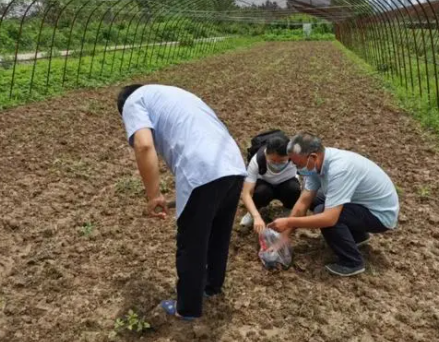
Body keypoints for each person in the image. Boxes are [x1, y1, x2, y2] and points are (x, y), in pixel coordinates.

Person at [117, 84, 246, 319]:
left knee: (192, 242)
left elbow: (144, 144)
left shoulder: (133, 101)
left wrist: (154, 195)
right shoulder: (171, 94)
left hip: (201, 169)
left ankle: (187, 309)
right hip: (233, 163)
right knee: (219, 233)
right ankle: (212, 287)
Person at [269, 132, 399, 277]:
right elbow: (304, 201)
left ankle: (352, 262)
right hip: (360, 204)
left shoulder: (340, 169)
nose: (295, 167)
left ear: (312, 157)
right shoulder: (316, 165)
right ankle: (358, 236)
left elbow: (329, 218)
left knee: (322, 212)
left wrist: (288, 221)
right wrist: (284, 236)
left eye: (297, 163)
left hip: (380, 215)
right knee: (315, 200)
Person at [240, 131, 301, 234]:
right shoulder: (257, 160)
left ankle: (289, 210)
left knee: (293, 189)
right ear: (266, 154)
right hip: (265, 184)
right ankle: (253, 212)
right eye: (272, 161)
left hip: (286, 183)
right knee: (261, 192)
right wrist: (256, 217)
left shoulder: (296, 157)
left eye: (282, 161)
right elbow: (246, 193)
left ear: (289, 156)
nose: (277, 164)